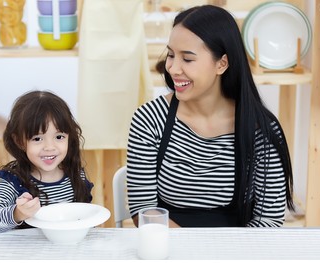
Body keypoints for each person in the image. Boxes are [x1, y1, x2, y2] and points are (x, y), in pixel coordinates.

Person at [126, 5, 294, 228]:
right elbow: (143, 211)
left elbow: (269, 220)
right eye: (171, 55)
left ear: (221, 64)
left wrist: (223, 259)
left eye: (187, 59)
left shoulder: (261, 129)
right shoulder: (149, 119)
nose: (173, 68)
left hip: (238, 253)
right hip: (169, 249)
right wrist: (193, 255)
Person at [0, 90, 93, 233]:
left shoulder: (76, 174)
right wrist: (17, 213)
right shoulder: (11, 181)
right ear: (19, 141)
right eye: (37, 139)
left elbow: (85, 219)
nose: (49, 147)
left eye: (59, 137)